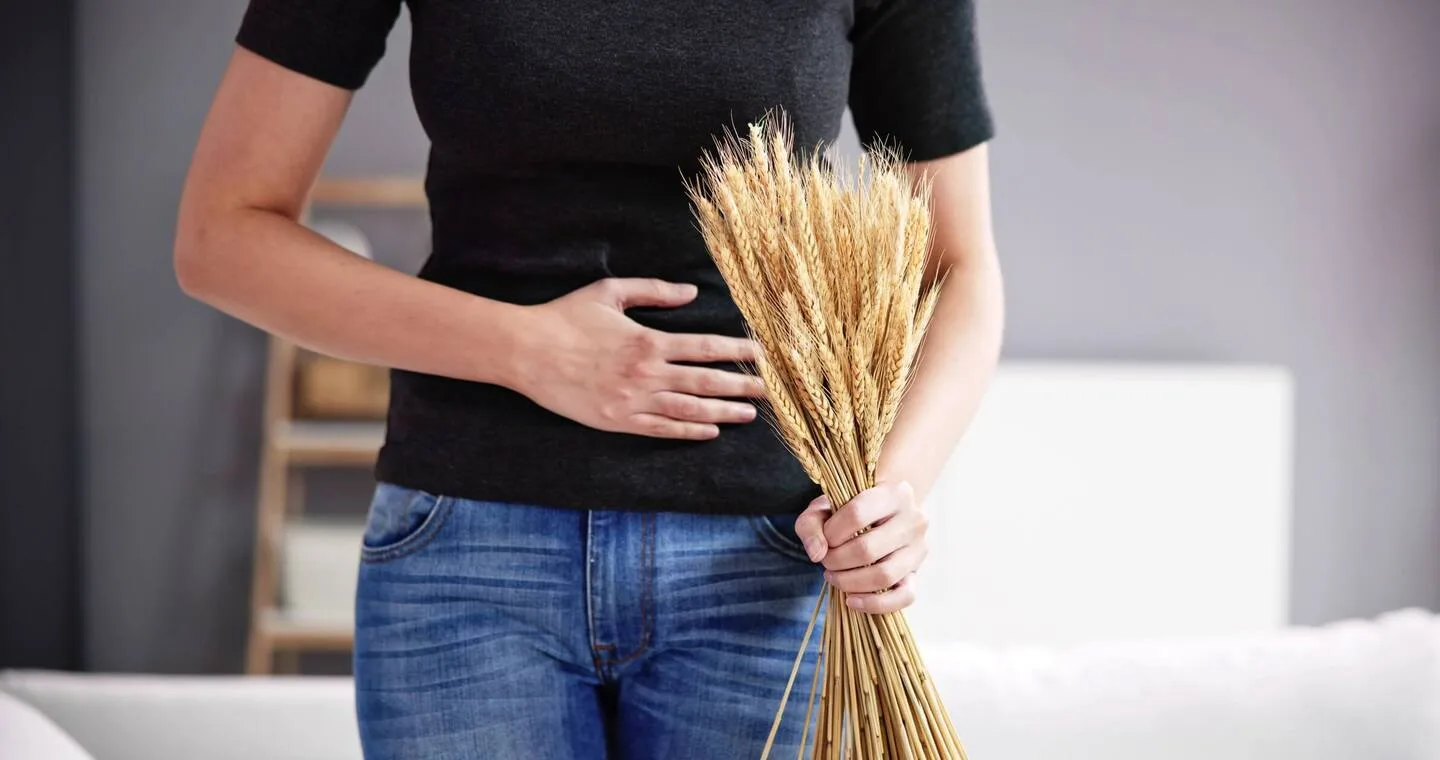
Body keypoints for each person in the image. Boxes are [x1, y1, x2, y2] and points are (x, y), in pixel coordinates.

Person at [175, 0, 1003, 757]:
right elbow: (223, 236)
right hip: (468, 550)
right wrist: (528, 350)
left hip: (767, 561)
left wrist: (895, 490)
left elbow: (959, 266)